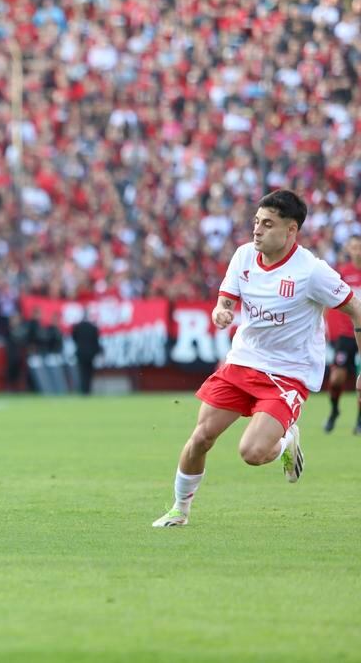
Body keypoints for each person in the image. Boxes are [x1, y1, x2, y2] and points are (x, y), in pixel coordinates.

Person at [153, 190, 361, 528]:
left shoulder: (312, 272)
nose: (257, 230)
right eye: (256, 222)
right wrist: (221, 311)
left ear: (291, 230)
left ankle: (287, 441)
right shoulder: (244, 256)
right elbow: (226, 300)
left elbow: (355, 309)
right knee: (202, 437)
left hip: (287, 375)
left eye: (267, 224)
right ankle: (180, 510)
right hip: (242, 363)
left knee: (251, 453)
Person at [323, 235, 361, 433]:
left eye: (359, 247)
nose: (357, 251)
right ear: (349, 249)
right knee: (337, 377)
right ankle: (334, 410)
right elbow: (327, 300)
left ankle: (360, 421)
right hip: (346, 333)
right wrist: (322, 327)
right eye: (354, 247)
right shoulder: (343, 273)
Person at [70, 313, 101, 395]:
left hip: (80, 353)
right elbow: (96, 342)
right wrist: (98, 351)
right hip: (91, 354)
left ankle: (83, 390)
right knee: (89, 373)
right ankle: (88, 390)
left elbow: (74, 338)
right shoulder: (93, 328)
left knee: (82, 373)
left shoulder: (77, 327)